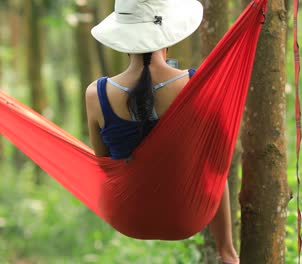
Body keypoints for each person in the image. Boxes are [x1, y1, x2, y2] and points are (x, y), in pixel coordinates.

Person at [84, 1, 239, 263]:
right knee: (213, 168)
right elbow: (218, 162)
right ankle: (228, 250)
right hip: (186, 217)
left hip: (127, 216)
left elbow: (106, 164)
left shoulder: (95, 94)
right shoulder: (197, 86)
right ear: (167, 35)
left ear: (123, 38)